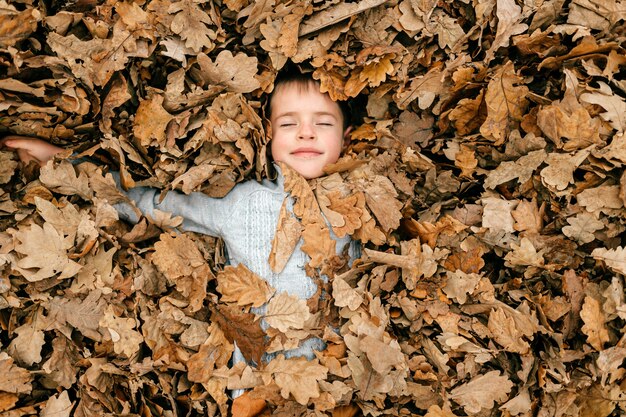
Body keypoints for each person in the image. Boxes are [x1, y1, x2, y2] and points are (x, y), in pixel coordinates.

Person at [2, 69, 358, 412]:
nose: (306, 133)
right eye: (288, 123)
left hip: (343, 384)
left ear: (346, 135)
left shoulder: (363, 204)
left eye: (323, 123)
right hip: (259, 385)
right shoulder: (243, 202)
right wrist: (64, 162)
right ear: (267, 133)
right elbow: (150, 202)